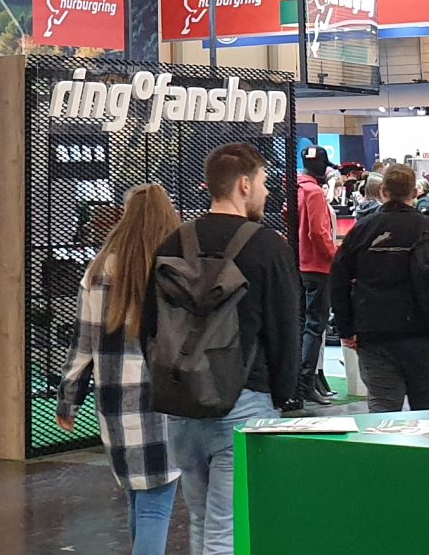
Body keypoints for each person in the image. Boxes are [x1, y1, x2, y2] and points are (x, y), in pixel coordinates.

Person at [146, 143, 299, 555]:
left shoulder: (172, 243)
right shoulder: (269, 247)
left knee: (200, 519)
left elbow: (150, 326)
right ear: (244, 184)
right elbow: (286, 329)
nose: (267, 192)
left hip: (182, 402)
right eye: (264, 182)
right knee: (227, 529)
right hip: (245, 400)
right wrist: (285, 395)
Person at [59, 184, 183, 555]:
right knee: (155, 506)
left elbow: (82, 348)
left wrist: (68, 401)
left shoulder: (97, 272)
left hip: (114, 408)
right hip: (165, 405)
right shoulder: (174, 269)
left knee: (137, 500)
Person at [330, 164, 429, 413]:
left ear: (383, 191)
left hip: (374, 333)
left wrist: (347, 328)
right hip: (426, 334)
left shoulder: (362, 230)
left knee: (382, 411)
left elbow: (338, 280)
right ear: (414, 192)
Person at [293, 148, 339, 408]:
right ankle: (306, 383)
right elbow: (319, 234)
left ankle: (297, 382)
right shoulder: (314, 193)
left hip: (298, 265)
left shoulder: (295, 189)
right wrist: (336, 260)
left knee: (301, 325)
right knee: (314, 327)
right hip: (318, 268)